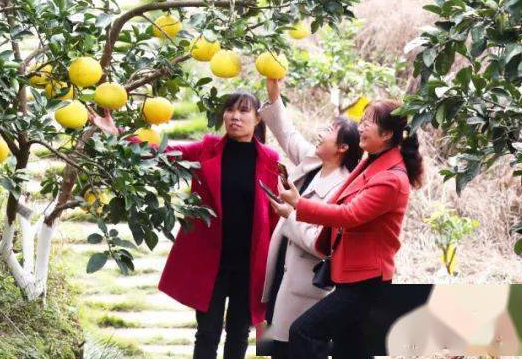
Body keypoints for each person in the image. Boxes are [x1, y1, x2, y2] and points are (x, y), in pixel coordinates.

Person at [277, 99, 425, 359]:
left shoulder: (391, 178)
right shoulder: (373, 161)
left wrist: (299, 204)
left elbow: (350, 214)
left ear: (388, 134)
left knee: (304, 332)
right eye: (362, 121)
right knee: (350, 349)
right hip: (351, 275)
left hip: (365, 281)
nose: (361, 127)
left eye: (368, 122)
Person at [153, 91, 283, 359]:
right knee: (207, 332)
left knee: (238, 333)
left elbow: (273, 215)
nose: (235, 116)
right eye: (230, 110)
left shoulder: (269, 159)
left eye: (244, 111)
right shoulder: (207, 148)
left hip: (249, 263)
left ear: (258, 118)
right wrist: (117, 133)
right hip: (211, 260)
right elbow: (164, 153)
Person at [257, 78, 363, 358]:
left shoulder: (343, 188)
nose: (321, 133)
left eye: (329, 131)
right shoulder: (314, 163)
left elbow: (320, 242)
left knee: (297, 349)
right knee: (276, 348)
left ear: (342, 147)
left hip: (305, 287)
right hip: (283, 275)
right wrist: (274, 93)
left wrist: (289, 214)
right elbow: (287, 133)